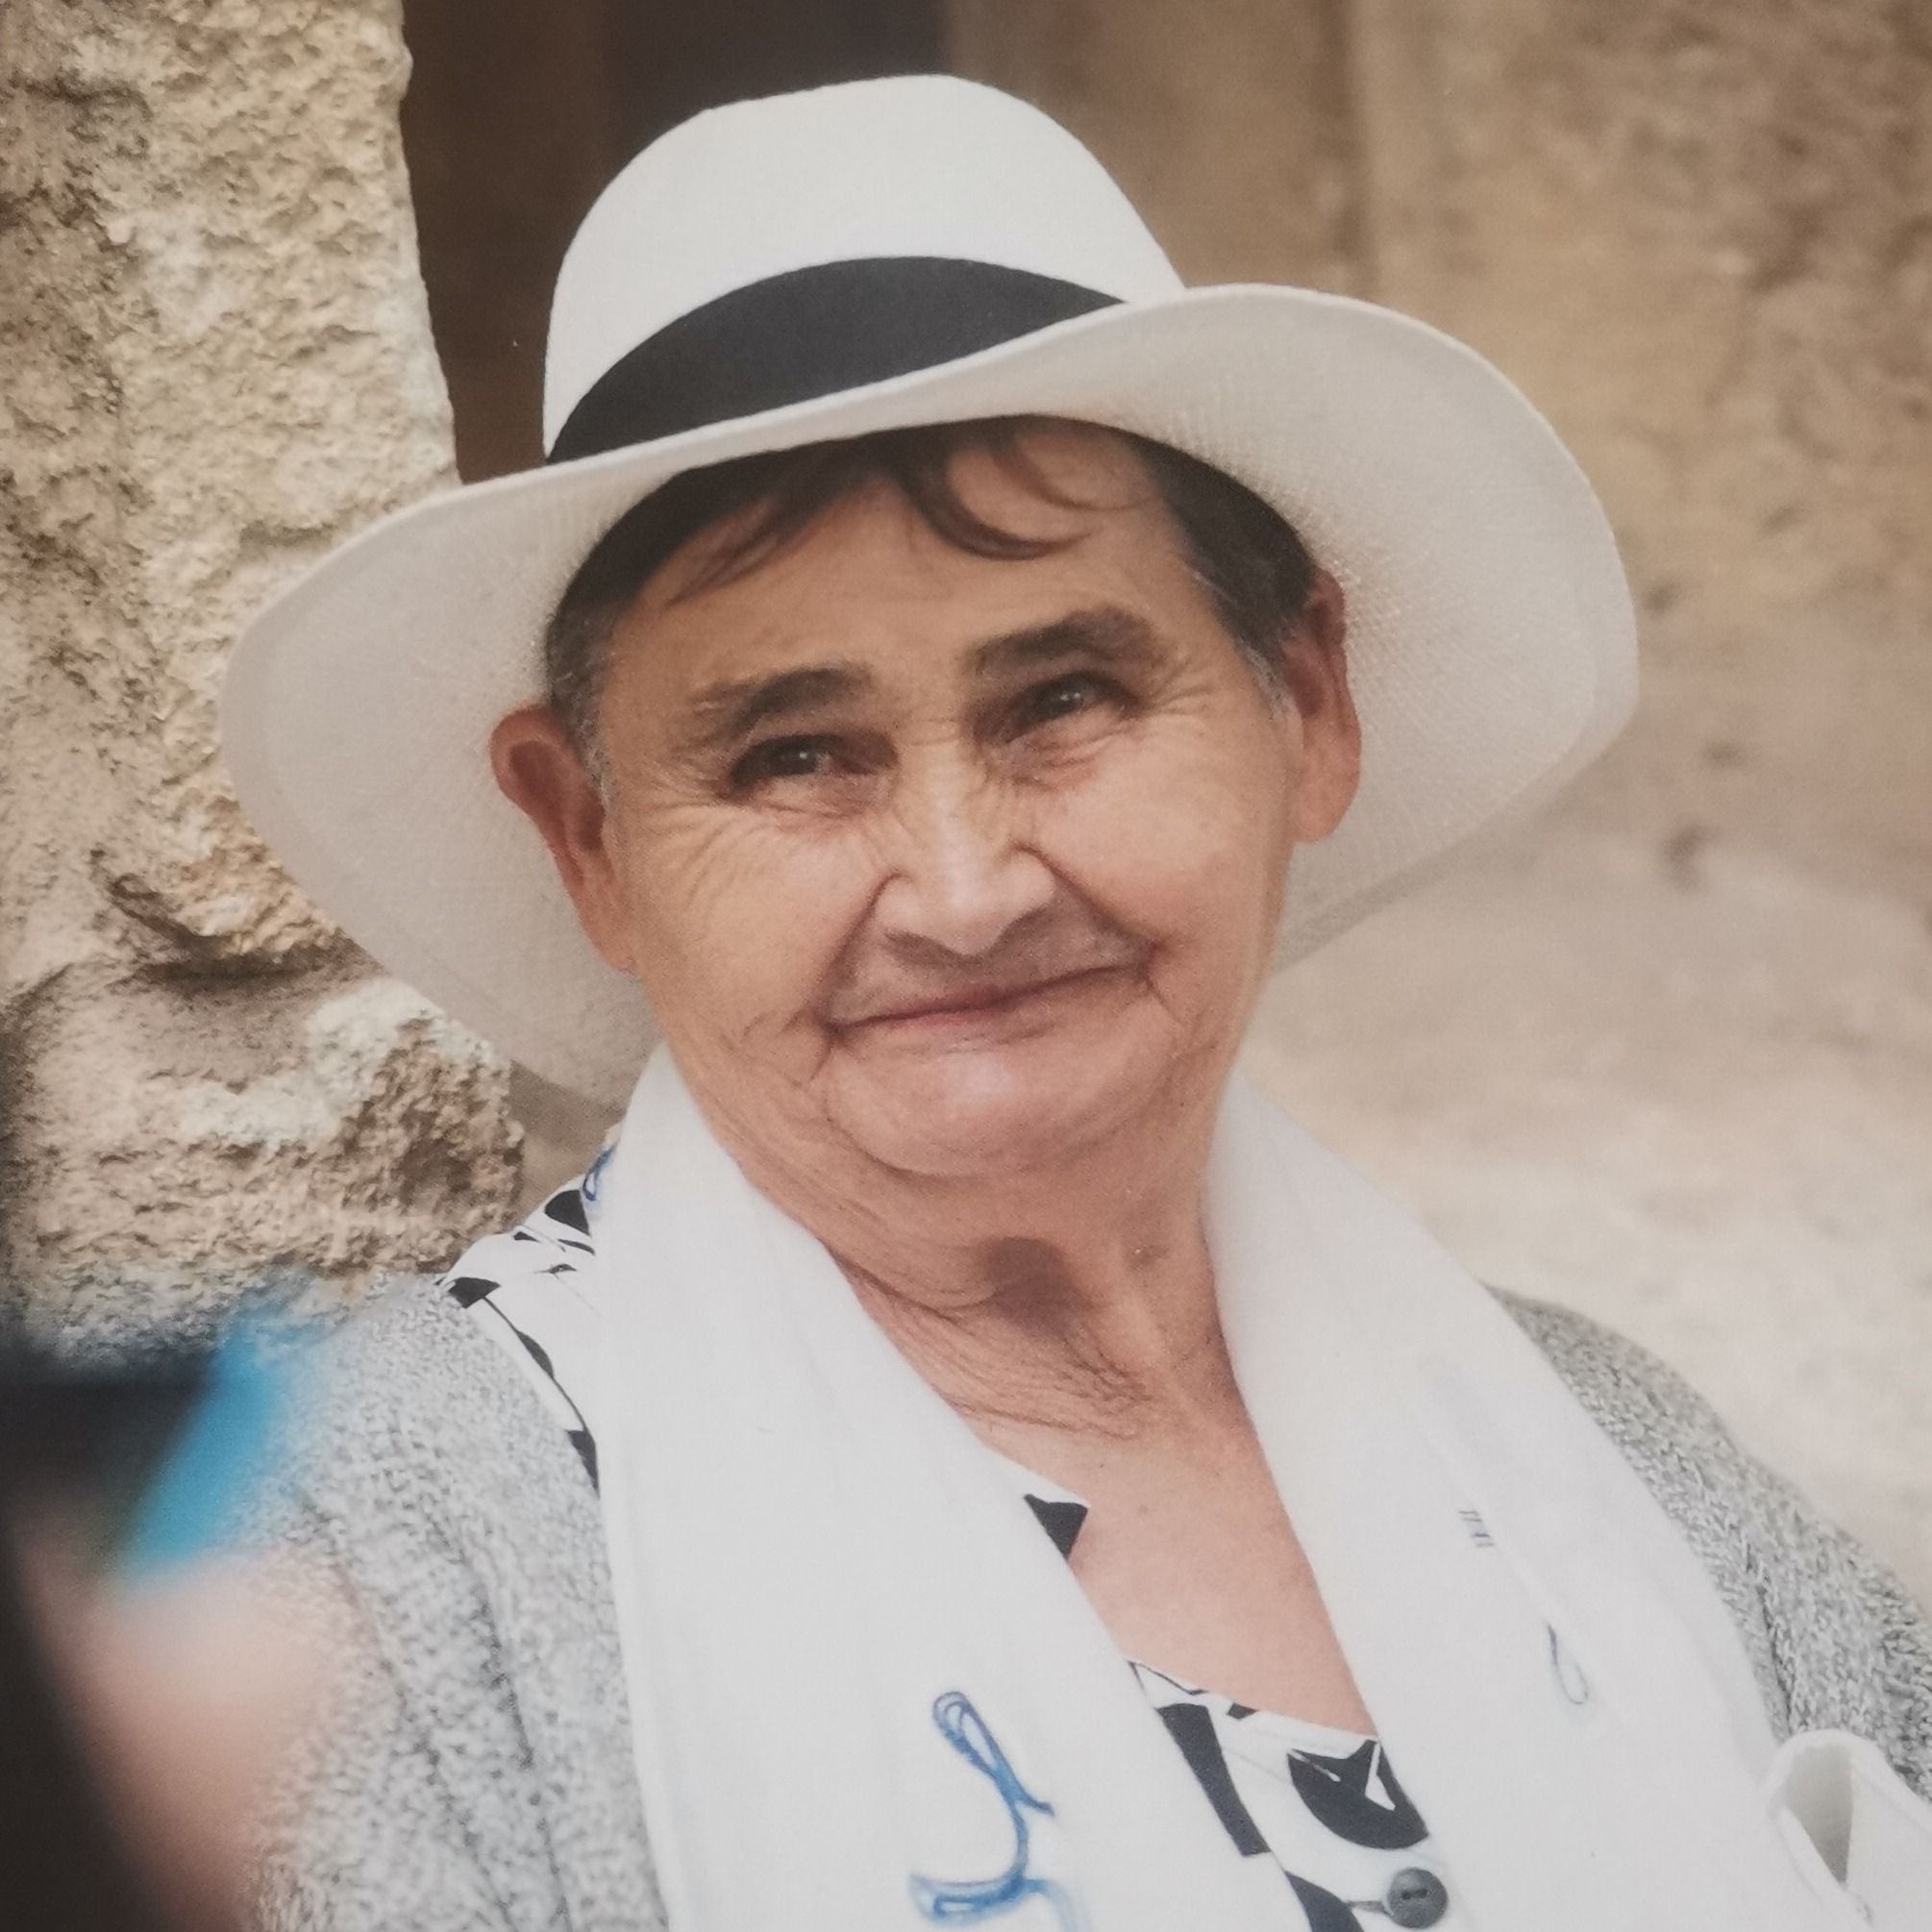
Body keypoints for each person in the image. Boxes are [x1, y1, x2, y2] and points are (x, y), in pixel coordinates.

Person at [222, 77, 1932, 1932]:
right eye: (794, 753)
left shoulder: (1614, 1463)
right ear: (590, 838)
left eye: (1063, 700)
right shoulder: (373, 1572)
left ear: (1306, 704)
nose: (963, 890)